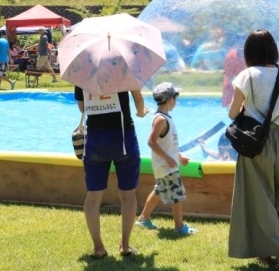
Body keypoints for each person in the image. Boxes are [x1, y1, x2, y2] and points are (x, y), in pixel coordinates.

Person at [227, 29, 279, 270]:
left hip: (255, 141)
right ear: (274, 50)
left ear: (249, 53)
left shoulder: (247, 76)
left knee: (259, 197)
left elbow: (232, 113)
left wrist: (248, 111)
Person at [75, 85, 148, 258]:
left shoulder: (82, 72)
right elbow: (138, 99)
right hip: (124, 139)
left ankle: (98, 248)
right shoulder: (123, 68)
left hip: (95, 141)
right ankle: (125, 245)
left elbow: (82, 107)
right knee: (128, 194)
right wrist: (141, 112)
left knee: (93, 197)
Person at [135, 82, 198, 235]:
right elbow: (151, 141)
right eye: (175, 98)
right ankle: (179, 227)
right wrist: (168, 159)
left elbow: (168, 144)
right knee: (177, 195)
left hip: (166, 164)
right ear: (170, 99)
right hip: (166, 165)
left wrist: (179, 156)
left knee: (159, 190)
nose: (175, 102)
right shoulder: (161, 120)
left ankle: (143, 219)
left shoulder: (165, 118)